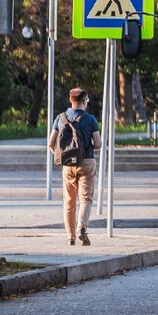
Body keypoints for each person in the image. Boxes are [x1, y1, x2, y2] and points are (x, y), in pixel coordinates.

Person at [48, 87, 102, 246]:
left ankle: (70, 237)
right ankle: (81, 228)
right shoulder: (90, 119)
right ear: (84, 101)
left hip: (67, 164)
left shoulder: (60, 118)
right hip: (87, 162)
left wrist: (62, 155)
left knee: (69, 202)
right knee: (86, 199)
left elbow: (51, 144)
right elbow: (98, 144)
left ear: (70, 100)